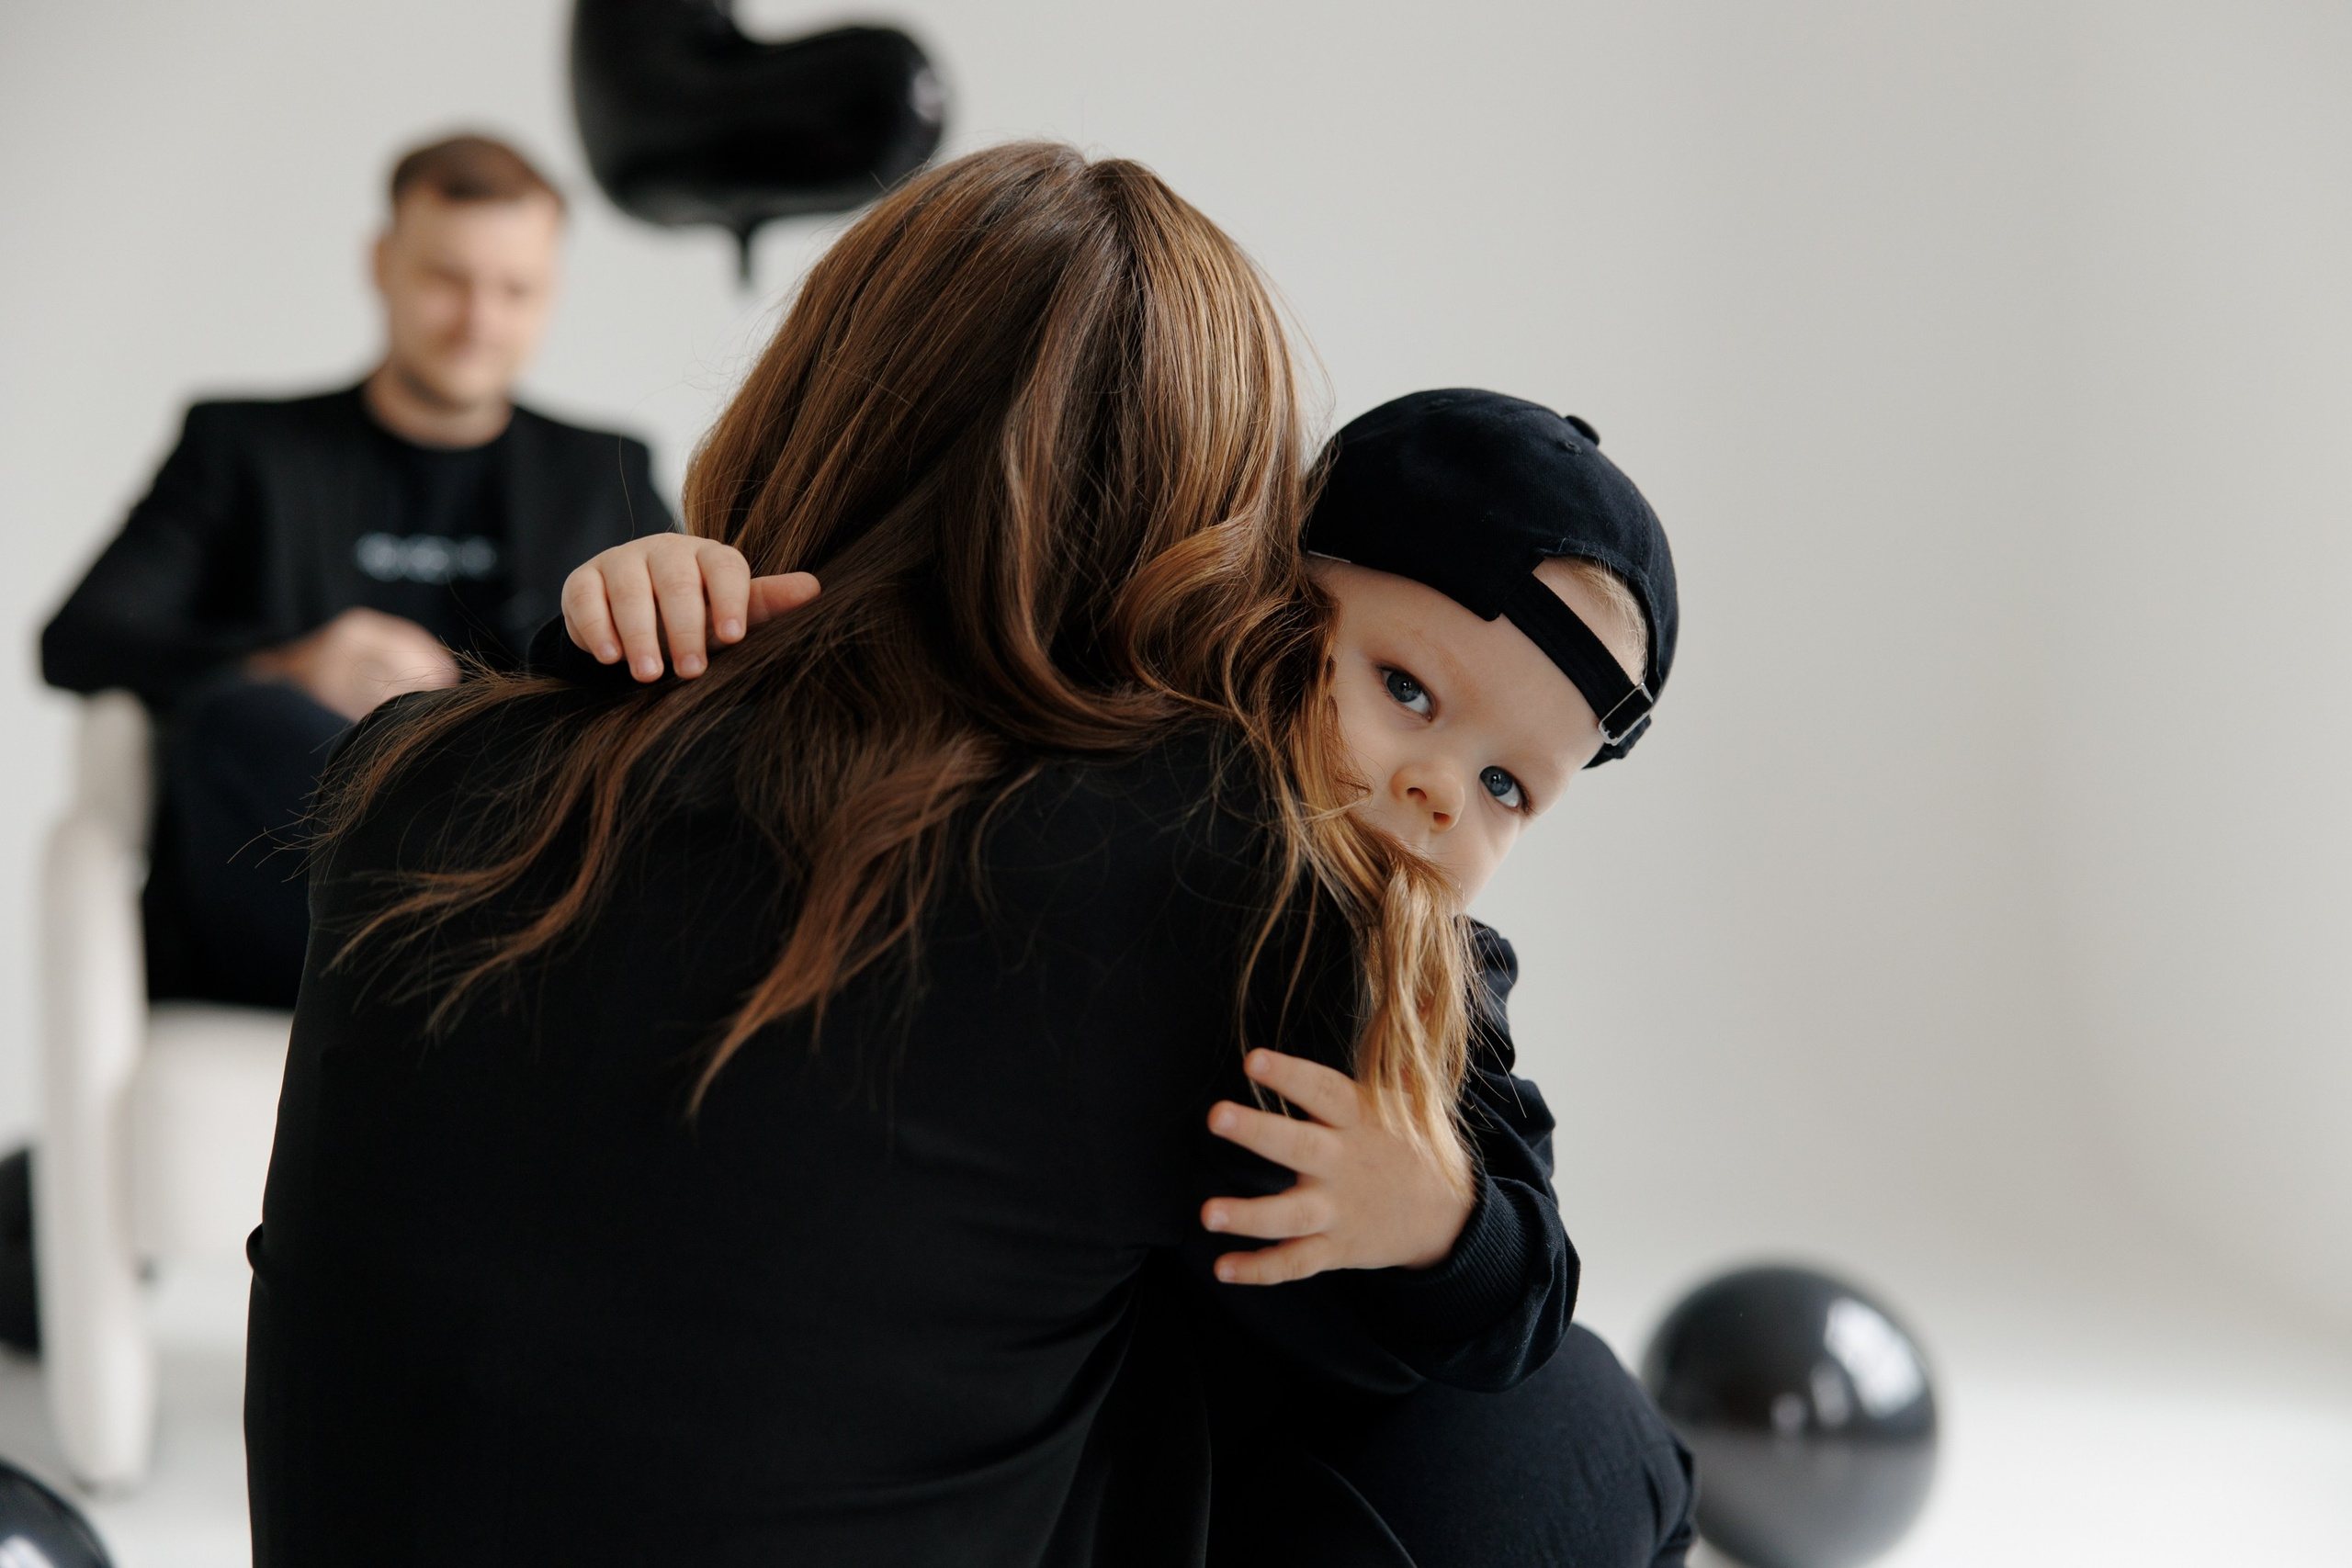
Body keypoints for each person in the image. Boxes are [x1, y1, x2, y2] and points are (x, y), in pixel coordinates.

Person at [246, 142, 1562, 1565]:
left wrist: (580, 668)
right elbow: (1427, 1314)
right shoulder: (1206, 871)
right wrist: (1389, 883)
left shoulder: (407, 769)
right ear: (1222, 549)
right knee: (1548, 1423)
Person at [563, 389, 1699, 1566]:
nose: (1440, 790)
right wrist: (656, 620)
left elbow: (1531, 1285)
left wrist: (1441, 1225)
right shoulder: (1108, 787)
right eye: (1404, 690)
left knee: (1594, 1415)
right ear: (1271, 609)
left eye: (1508, 787)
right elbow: (853, 737)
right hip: (1008, 1441)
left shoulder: (1429, 981)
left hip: (1272, 1476)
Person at [39, 132, 673, 1010]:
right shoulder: (243, 447)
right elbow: (79, 638)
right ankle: (479, 981)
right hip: (293, 902)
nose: (478, 320)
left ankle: (476, 968)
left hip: (505, 843)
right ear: (382, 264)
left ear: (552, 291)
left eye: (515, 290)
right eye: (446, 279)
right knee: (242, 717)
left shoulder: (603, 471)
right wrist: (294, 661)